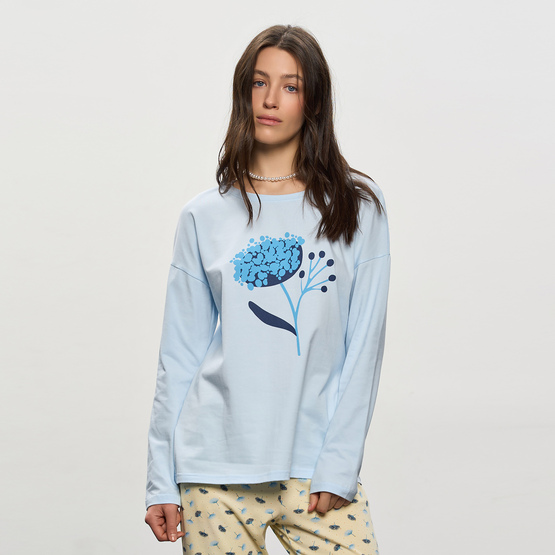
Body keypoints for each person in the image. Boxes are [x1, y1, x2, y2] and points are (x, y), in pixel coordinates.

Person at [144, 24, 390, 555]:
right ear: (244, 92)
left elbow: (364, 346)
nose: (271, 99)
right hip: (214, 471)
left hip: (316, 469)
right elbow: (179, 357)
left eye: (290, 86)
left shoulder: (356, 209)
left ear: (313, 102)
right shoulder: (203, 216)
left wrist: (340, 463)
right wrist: (160, 479)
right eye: (259, 82)